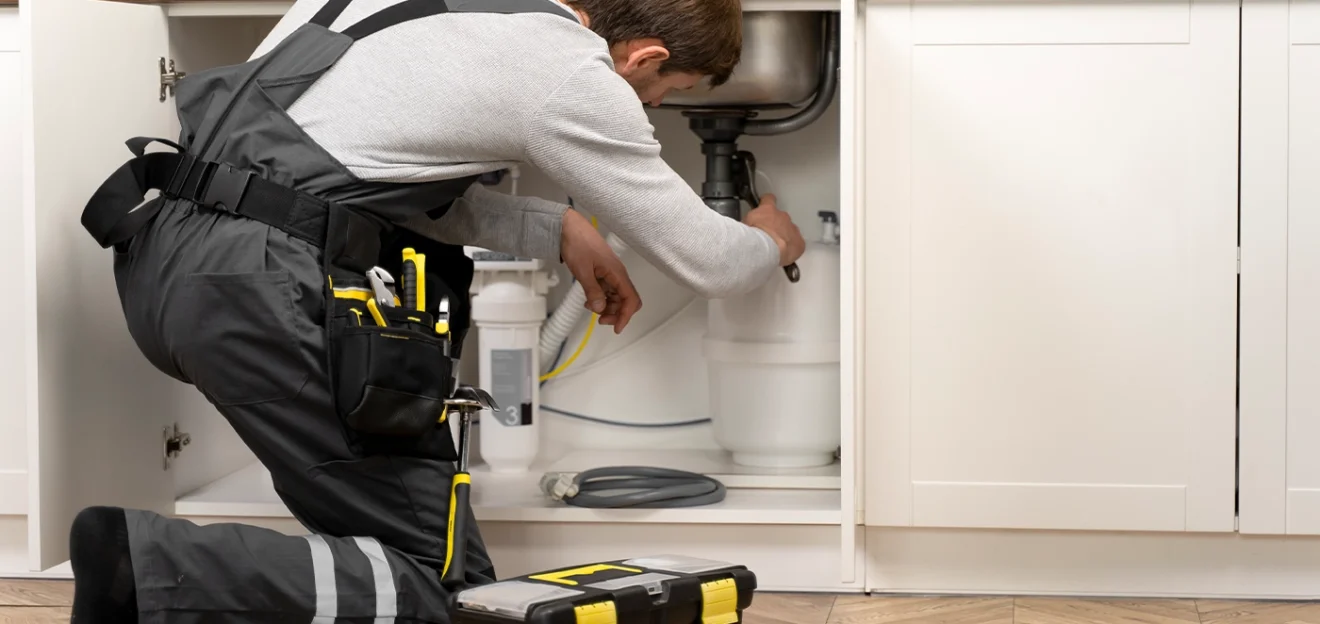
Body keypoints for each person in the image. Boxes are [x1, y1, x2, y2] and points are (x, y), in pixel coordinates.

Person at [72, 0, 807, 620]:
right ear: (644, 56)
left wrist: (555, 226)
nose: (648, 109)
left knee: (399, 555)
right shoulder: (566, 68)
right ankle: (149, 565)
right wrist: (771, 239)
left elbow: (344, 163)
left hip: (166, 262)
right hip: (263, 292)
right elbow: (712, 260)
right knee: (442, 586)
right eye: (660, 94)